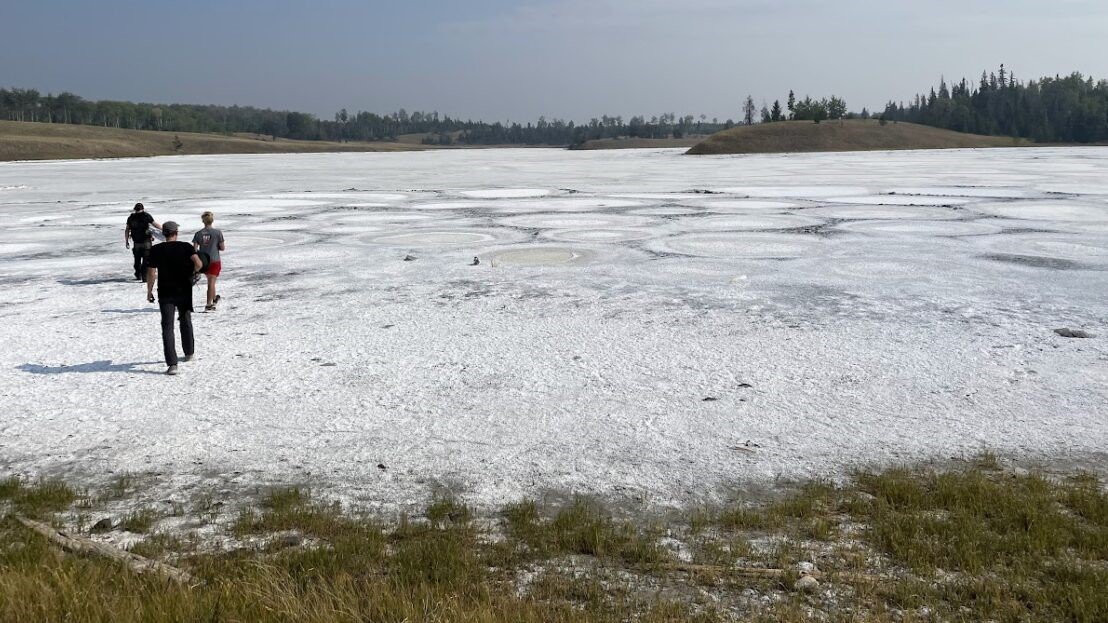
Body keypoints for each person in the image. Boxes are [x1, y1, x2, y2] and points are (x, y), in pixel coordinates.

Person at [147, 221, 202, 375]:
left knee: (167, 327)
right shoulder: (186, 247)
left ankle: (172, 364)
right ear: (176, 232)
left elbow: (152, 273)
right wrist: (192, 273)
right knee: (185, 320)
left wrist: (149, 291)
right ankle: (189, 352)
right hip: (183, 289)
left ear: (164, 233)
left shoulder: (156, 249)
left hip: (165, 291)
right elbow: (198, 263)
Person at [192, 211, 225, 311]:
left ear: (203, 221)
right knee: (211, 283)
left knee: (211, 281)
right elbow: (222, 247)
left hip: (203, 261)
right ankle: (208, 305)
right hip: (214, 260)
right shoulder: (217, 233)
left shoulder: (198, 234)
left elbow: (194, 249)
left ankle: (214, 298)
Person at [124, 203, 161, 281]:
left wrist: (126, 241)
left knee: (137, 260)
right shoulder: (146, 215)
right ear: (143, 209)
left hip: (136, 243)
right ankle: (144, 277)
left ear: (135, 209)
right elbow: (155, 224)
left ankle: (138, 275)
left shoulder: (131, 218)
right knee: (146, 260)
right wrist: (164, 230)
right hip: (146, 242)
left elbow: (127, 230)